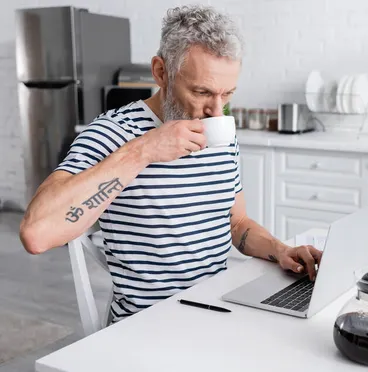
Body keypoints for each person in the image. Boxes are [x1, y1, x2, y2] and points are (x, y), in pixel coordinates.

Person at [19, 5, 322, 322]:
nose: (217, 112)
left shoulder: (220, 132)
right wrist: (143, 151)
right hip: (149, 326)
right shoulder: (112, 134)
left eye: (227, 93)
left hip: (219, 310)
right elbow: (37, 235)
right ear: (161, 72)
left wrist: (281, 250)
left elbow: (237, 224)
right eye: (201, 92)